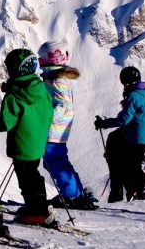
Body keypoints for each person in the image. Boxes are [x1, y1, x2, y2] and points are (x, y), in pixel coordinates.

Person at [0, 49, 56, 226]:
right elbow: (50, 112)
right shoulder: (41, 88)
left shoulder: (14, 96)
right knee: (33, 175)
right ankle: (38, 206)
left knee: (26, 179)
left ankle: (37, 211)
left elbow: (5, 123)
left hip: (22, 145)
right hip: (37, 143)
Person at [37, 41, 96, 210]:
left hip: (54, 127)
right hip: (61, 126)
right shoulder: (62, 77)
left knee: (54, 161)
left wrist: (45, 120)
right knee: (59, 160)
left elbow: (61, 105)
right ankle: (75, 192)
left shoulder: (56, 79)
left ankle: (71, 195)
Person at [94, 66, 145, 202]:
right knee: (132, 162)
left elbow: (123, 119)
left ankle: (142, 190)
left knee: (130, 164)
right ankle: (136, 191)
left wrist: (104, 123)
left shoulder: (133, 96)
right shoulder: (144, 93)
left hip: (137, 137)